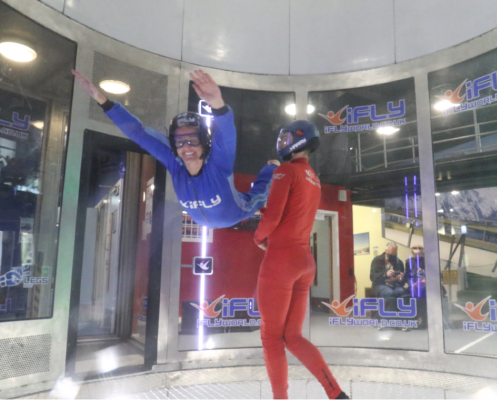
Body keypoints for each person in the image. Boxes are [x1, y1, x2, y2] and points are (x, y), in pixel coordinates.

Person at [72, 69, 278, 229]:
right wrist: (104, 102)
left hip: (237, 212)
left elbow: (226, 134)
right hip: (204, 221)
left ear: (205, 143)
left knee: (260, 195)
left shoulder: (218, 163)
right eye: (180, 142)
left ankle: (272, 167)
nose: (186, 147)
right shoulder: (175, 164)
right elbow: (138, 132)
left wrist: (218, 105)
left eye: (192, 140)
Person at [254, 120, 349, 400]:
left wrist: (257, 237)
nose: (282, 142)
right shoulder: (313, 177)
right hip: (305, 261)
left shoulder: (286, 171)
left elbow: (273, 217)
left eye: (286, 137)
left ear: (298, 140)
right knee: (293, 336)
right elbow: (290, 214)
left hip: (281, 262)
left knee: (272, 338)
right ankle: (336, 393)